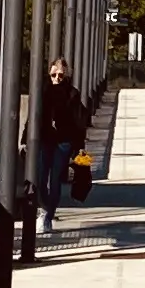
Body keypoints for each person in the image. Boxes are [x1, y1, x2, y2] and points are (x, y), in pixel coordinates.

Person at [37, 59, 91, 223]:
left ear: (66, 76)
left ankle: (49, 215)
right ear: (49, 73)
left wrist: (79, 147)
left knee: (55, 179)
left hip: (64, 141)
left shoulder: (71, 93)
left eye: (60, 75)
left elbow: (79, 122)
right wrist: (26, 139)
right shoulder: (43, 91)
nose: (57, 78)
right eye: (54, 75)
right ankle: (45, 207)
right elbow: (33, 117)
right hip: (45, 138)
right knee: (40, 177)